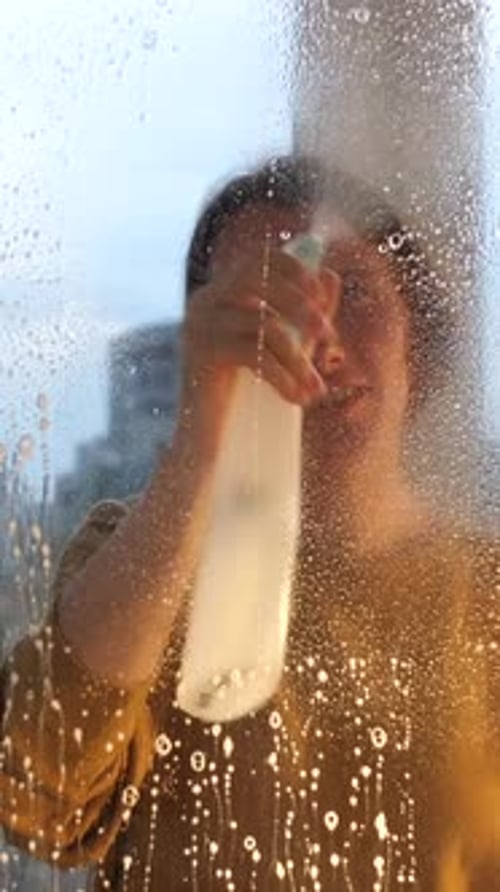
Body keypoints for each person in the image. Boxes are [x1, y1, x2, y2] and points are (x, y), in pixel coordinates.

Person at [1, 155, 499, 891]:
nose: (313, 340)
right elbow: (33, 795)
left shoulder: (486, 592)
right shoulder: (138, 555)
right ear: (204, 343)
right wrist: (200, 446)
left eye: (352, 290)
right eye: (259, 304)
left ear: (416, 339)